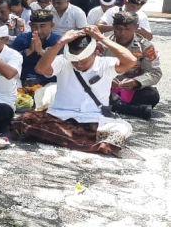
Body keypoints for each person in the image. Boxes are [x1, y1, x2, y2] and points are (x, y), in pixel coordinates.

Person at [11, 26, 137, 156]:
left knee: (121, 128)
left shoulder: (105, 64)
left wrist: (101, 38)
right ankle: (86, 144)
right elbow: (41, 69)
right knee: (25, 119)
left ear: (95, 52)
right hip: (61, 117)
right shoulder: (63, 61)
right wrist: (60, 42)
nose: (78, 65)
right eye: (74, 61)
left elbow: (131, 61)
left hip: (94, 119)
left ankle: (60, 138)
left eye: (82, 61)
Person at [104, 11, 162, 120]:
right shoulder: (103, 44)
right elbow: (89, 68)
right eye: (119, 29)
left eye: (127, 29)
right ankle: (129, 109)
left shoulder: (146, 46)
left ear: (136, 28)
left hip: (131, 89)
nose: (122, 33)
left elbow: (155, 72)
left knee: (152, 95)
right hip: (106, 87)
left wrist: (137, 82)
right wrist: (105, 79)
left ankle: (113, 106)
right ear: (113, 27)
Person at [10, 10, 62, 88]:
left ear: (52, 25)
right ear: (30, 25)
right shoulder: (22, 39)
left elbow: (61, 65)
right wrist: (28, 51)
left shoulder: (58, 42)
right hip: (23, 82)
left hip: (50, 83)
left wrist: (42, 52)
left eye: (43, 26)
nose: (38, 30)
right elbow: (9, 61)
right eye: (34, 26)